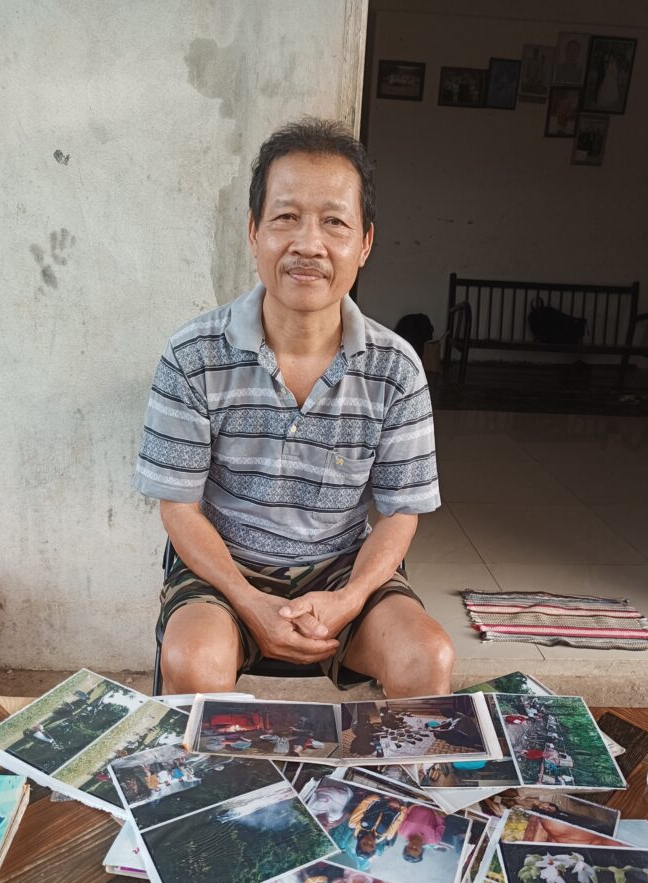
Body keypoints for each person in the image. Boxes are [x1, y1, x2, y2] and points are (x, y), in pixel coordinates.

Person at [133, 118, 454, 697]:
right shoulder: (192, 354)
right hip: (227, 567)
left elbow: (401, 513)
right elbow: (178, 506)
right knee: (192, 658)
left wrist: (350, 598)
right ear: (253, 231)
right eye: (285, 217)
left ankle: (399, 767)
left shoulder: (396, 368)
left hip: (342, 566)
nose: (308, 244)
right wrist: (248, 600)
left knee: (427, 657)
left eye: (334, 222)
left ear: (365, 243)